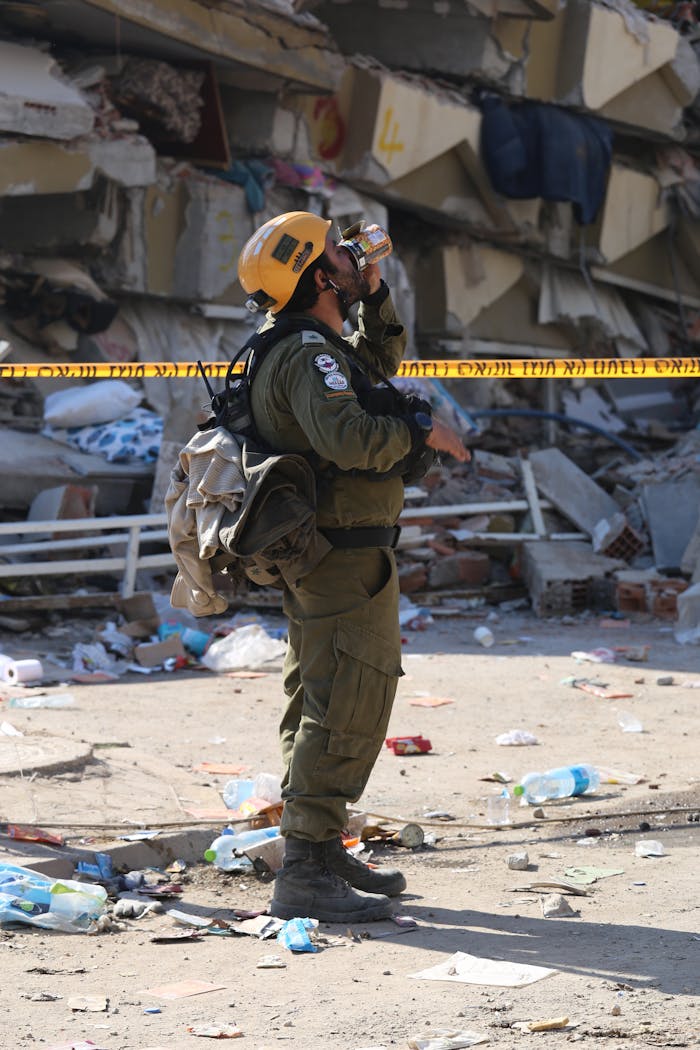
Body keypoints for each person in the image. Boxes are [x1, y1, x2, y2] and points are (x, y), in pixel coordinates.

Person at [236, 211, 470, 922]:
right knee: (349, 700)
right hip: (342, 552)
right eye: (338, 251)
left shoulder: (310, 344)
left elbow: (373, 370)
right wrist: (419, 429)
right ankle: (304, 866)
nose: (349, 251)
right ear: (315, 275)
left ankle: (318, 845)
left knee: (320, 694)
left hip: (333, 549)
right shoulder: (309, 354)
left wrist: (372, 293)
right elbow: (347, 435)